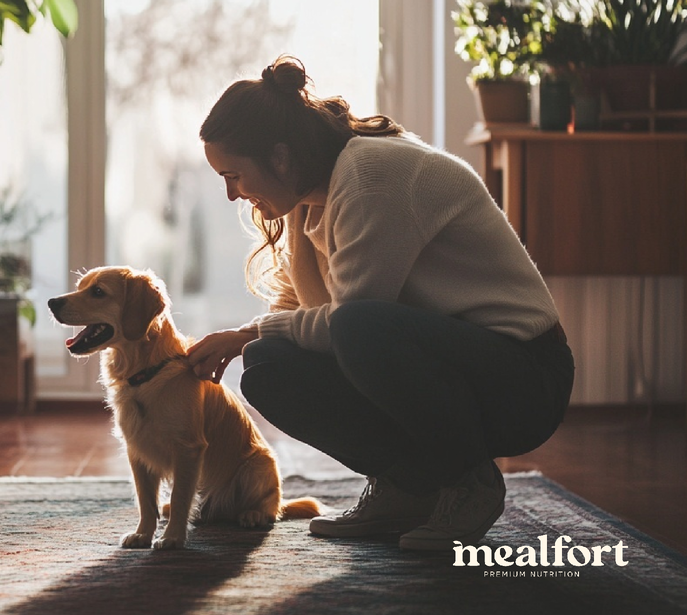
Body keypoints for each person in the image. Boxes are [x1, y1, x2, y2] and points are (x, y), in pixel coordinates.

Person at [186, 55, 574, 551]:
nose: (231, 194)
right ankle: (408, 485)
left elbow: (350, 323)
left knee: (353, 328)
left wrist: (244, 335)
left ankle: (468, 482)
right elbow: (302, 320)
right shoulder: (311, 202)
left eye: (234, 175)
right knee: (266, 364)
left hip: (524, 378)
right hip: (457, 370)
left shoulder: (370, 174)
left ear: (280, 157)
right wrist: (247, 340)